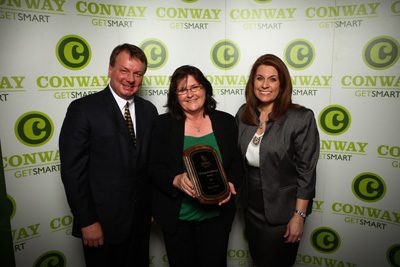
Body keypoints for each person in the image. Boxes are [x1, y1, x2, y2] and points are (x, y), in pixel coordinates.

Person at [59, 43, 158, 267]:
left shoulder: (148, 111)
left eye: (138, 73)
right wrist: (87, 221)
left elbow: (148, 167)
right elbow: (73, 172)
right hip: (100, 225)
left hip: (139, 222)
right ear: (110, 69)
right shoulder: (83, 109)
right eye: (124, 70)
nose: (131, 78)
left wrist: (150, 209)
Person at [149, 65, 243, 267]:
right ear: (175, 96)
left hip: (216, 219)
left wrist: (231, 183)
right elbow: (152, 167)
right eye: (182, 90)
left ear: (205, 89)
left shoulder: (226, 122)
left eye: (195, 87)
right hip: (178, 218)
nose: (190, 94)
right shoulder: (162, 125)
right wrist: (175, 179)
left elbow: (236, 162)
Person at [236, 54, 319, 267]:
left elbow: (307, 171)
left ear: (282, 85)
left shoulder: (300, 118)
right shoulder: (244, 114)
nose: (265, 85)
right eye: (259, 78)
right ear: (252, 82)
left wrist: (299, 216)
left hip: (283, 213)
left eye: (272, 79)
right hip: (251, 209)